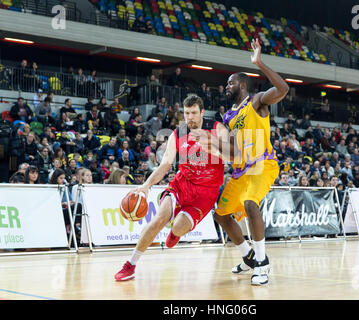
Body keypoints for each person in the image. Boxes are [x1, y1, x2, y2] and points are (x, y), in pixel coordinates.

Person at [114, 95, 227, 281]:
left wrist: (214, 149)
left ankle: (175, 233)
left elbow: (235, 157)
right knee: (159, 218)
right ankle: (130, 265)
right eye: (187, 113)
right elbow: (166, 163)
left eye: (194, 113)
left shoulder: (217, 129)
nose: (190, 117)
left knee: (179, 226)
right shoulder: (179, 133)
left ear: (202, 112)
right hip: (182, 183)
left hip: (206, 192)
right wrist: (146, 185)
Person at [206, 38, 289, 285]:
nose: (226, 86)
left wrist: (260, 63)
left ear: (242, 84)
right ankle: (248, 256)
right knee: (220, 215)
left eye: (229, 82)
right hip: (241, 170)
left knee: (251, 203)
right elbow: (234, 149)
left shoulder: (257, 101)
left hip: (263, 165)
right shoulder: (229, 116)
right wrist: (213, 146)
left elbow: (283, 89)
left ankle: (262, 264)